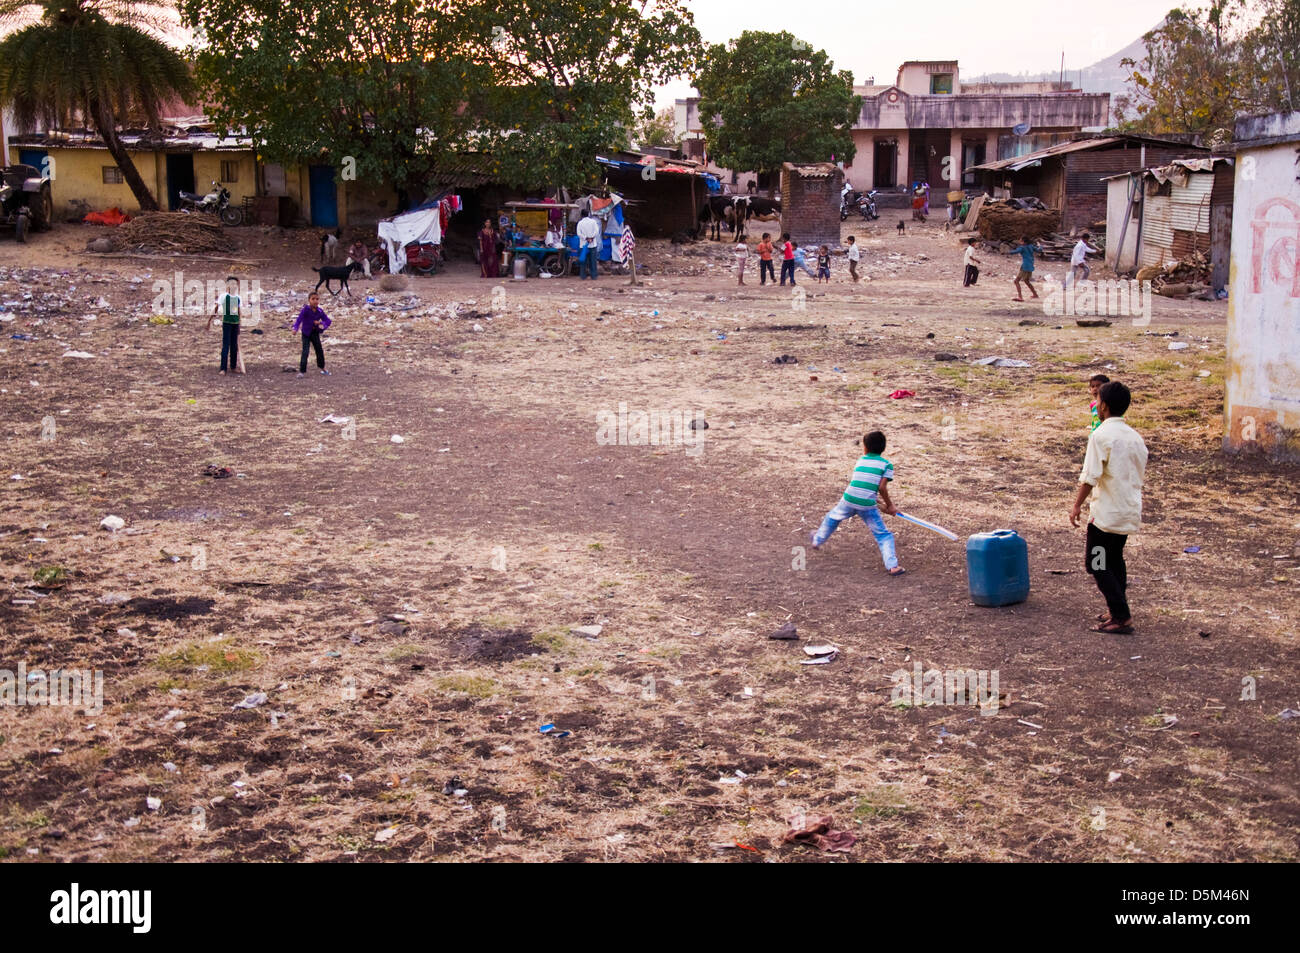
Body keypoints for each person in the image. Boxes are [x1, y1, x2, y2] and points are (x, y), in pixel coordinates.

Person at [1070, 382, 1147, 635]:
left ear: (1103, 406)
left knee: (1097, 563)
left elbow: (1090, 476)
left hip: (1105, 515)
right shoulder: (1135, 437)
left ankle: (1121, 616)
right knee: (1114, 560)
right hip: (1127, 510)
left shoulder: (1101, 435)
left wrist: (1076, 505)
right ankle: (1117, 607)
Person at [811, 430, 905, 576]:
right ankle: (892, 566)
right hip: (867, 504)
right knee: (883, 535)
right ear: (883, 448)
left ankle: (817, 540)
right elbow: (880, 488)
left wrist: (883, 506)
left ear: (865, 448)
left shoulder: (861, 460)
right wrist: (889, 506)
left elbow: (863, 488)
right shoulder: (886, 465)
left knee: (832, 518)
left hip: (849, 498)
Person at [208, 275, 242, 375]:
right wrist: (209, 321)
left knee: (234, 346)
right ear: (227, 285)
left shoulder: (238, 298)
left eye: (235, 284)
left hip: (235, 324)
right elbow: (216, 308)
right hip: (227, 323)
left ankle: (233, 366)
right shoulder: (224, 296)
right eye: (231, 283)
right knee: (226, 346)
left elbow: (239, 311)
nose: (233, 285)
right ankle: (223, 368)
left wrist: (240, 323)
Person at [294, 291, 332, 377]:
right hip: (306, 333)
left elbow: (328, 321)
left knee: (319, 350)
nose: (315, 301)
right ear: (309, 300)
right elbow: (299, 320)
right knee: (305, 351)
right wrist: (295, 328)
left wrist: (321, 324)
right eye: (313, 299)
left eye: (317, 299)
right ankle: (302, 371)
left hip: (315, 333)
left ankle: (323, 368)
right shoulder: (305, 310)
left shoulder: (320, 311)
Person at [1012, 236, 1042, 301]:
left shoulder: (1022, 248)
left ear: (1023, 242)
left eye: (1021, 241)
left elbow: (1015, 251)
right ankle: (1035, 294)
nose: (1020, 242)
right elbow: (1039, 250)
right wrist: (1040, 245)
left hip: (1025, 267)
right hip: (1030, 266)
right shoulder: (1031, 246)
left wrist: (1007, 252)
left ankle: (1020, 297)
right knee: (1026, 281)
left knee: (1016, 281)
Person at [576, 210, 601, 280]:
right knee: (593, 261)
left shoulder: (580, 223)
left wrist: (586, 238)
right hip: (593, 244)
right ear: (588, 214)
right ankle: (594, 276)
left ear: (581, 215)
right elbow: (597, 231)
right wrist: (591, 237)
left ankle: (583, 276)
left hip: (583, 245)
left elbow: (578, 233)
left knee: (583, 261)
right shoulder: (593, 222)